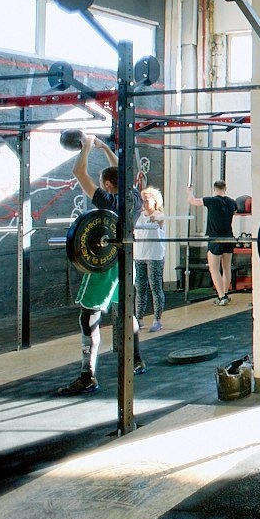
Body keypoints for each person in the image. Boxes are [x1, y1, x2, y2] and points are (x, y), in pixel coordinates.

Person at [55, 134, 145, 396]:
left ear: (107, 184)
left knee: (88, 316)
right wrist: (104, 147)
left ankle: (88, 375)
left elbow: (78, 172)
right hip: (128, 263)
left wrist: (86, 146)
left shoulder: (107, 200)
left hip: (105, 265)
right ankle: (137, 359)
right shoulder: (135, 197)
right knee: (128, 313)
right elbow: (120, 172)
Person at [187, 179, 238, 305]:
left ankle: (221, 297)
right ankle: (225, 293)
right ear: (225, 188)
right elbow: (235, 212)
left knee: (214, 269)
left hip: (215, 238)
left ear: (214, 189)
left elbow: (192, 201)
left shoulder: (211, 200)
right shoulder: (232, 202)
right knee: (226, 268)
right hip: (229, 237)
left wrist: (189, 192)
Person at [134, 185, 167, 332]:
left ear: (155, 201)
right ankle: (139, 319)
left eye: (147, 200)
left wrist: (156, 218)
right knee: (140, 288)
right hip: (139, 256)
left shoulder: (159, 215)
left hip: (154, 256)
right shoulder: (137, 216)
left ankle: (157, 320)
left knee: (155, 288)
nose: (144, 203)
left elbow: (160, 219)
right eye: (142, 200)